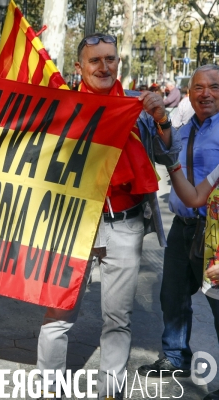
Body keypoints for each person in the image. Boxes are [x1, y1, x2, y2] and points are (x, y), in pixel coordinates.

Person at [35, 32, 180, 400]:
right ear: (79, 67)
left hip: (126, 225)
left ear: (119, 62)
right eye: (95, 60)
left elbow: (167, 154)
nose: (104, 66)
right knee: (58, 314)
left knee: (118, 319)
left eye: (110, 59)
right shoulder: (62, 106)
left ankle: (110, 391)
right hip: (72, 222)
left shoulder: (137, 107)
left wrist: (161, 116)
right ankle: (49, 389)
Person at [137, 64, 219, 400]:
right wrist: (158, 116)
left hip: (215, 239)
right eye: (198, 87)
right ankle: (174, 358)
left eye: (213, 87)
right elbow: (166, 151)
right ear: (189, 94)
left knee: (218, 309)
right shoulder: (183, 128)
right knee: (172, 297)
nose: (206, 93)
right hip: (184, 229)